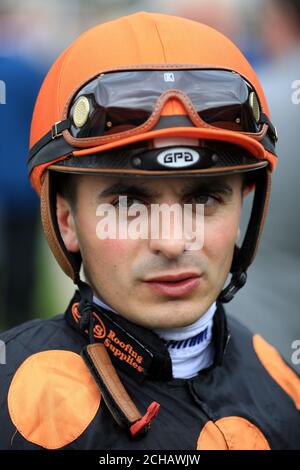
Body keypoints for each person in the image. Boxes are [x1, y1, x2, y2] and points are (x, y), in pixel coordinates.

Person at [0, 11, 299, 451]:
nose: (173, 242)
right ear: (67, 220)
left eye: (204, 199)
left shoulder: (287, 390)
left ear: (243, 209)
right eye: (128, 204)